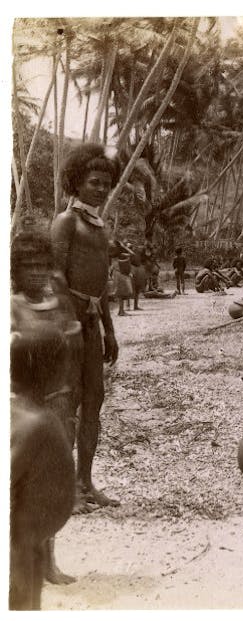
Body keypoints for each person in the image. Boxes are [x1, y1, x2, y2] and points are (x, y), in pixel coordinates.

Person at [50, 143, 120, 512]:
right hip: (70, 322)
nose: (101, 189)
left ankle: (85, 482)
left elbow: (103, 285)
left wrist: (109, 330)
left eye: (106, 183)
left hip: (92, 322)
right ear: (77, 183)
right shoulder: (66, 222)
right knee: (69, 403)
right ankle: (66, 490)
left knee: (95, 399)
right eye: (94, 182)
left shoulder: (99, 226)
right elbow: (56, 276)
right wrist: (69, 324)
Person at [10, 225, 81, 587]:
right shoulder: (11, 309)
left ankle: (48, 561)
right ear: (15, 269)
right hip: (21, 412)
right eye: (28, 265)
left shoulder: (60, 305)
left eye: (42, 264)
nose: (36, 271)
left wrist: (71, 397)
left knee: (50, 484)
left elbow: (73, 351)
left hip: (57, 406)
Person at [10, 328, 76, 610]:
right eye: (64, 363)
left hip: (27, 540)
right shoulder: (36, 424)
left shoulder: (26, 414)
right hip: (18, 544)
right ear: (50, 371)